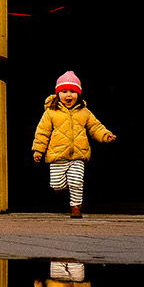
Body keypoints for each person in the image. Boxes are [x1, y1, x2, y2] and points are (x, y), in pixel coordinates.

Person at [32, 70, 116, 218]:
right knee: (57, 185)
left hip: (78, 155)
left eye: (72, 92)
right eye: (64, 91)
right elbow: (42, 133)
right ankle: (60, 189)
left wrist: (105, 135)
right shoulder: (51, 113)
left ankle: (75, 207)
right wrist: (38, 151)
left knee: (76, 181)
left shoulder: (84, 112)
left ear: (79, 94)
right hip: (57, 156)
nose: (68, 95)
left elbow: (95, 127)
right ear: (58, 94)